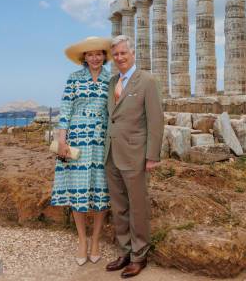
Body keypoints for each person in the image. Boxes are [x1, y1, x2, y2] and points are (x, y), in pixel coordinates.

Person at [104, 35, 164, 278]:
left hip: (135, 154)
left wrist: (152, 156)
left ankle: (140, 256)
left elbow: (156, 120)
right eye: (116, 54)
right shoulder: (111, 83)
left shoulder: (147, 81)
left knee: (137, 207)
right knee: (119, 207)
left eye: (123, 53)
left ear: (133, 54)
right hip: (112, 154)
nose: (119, 58)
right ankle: (125, 251)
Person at [50, 36, 112, 266]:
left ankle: (96, 240)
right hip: (77, 139)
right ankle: (82, 241)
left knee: (100, 191)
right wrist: (62, 141)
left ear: (104, 56)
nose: (95, 58)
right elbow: (65, 109)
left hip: (101, 141)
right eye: (90, 54)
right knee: (78, 190)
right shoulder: (74, 78)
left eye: (98, 53)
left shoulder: (111, 79)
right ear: (84, 57)